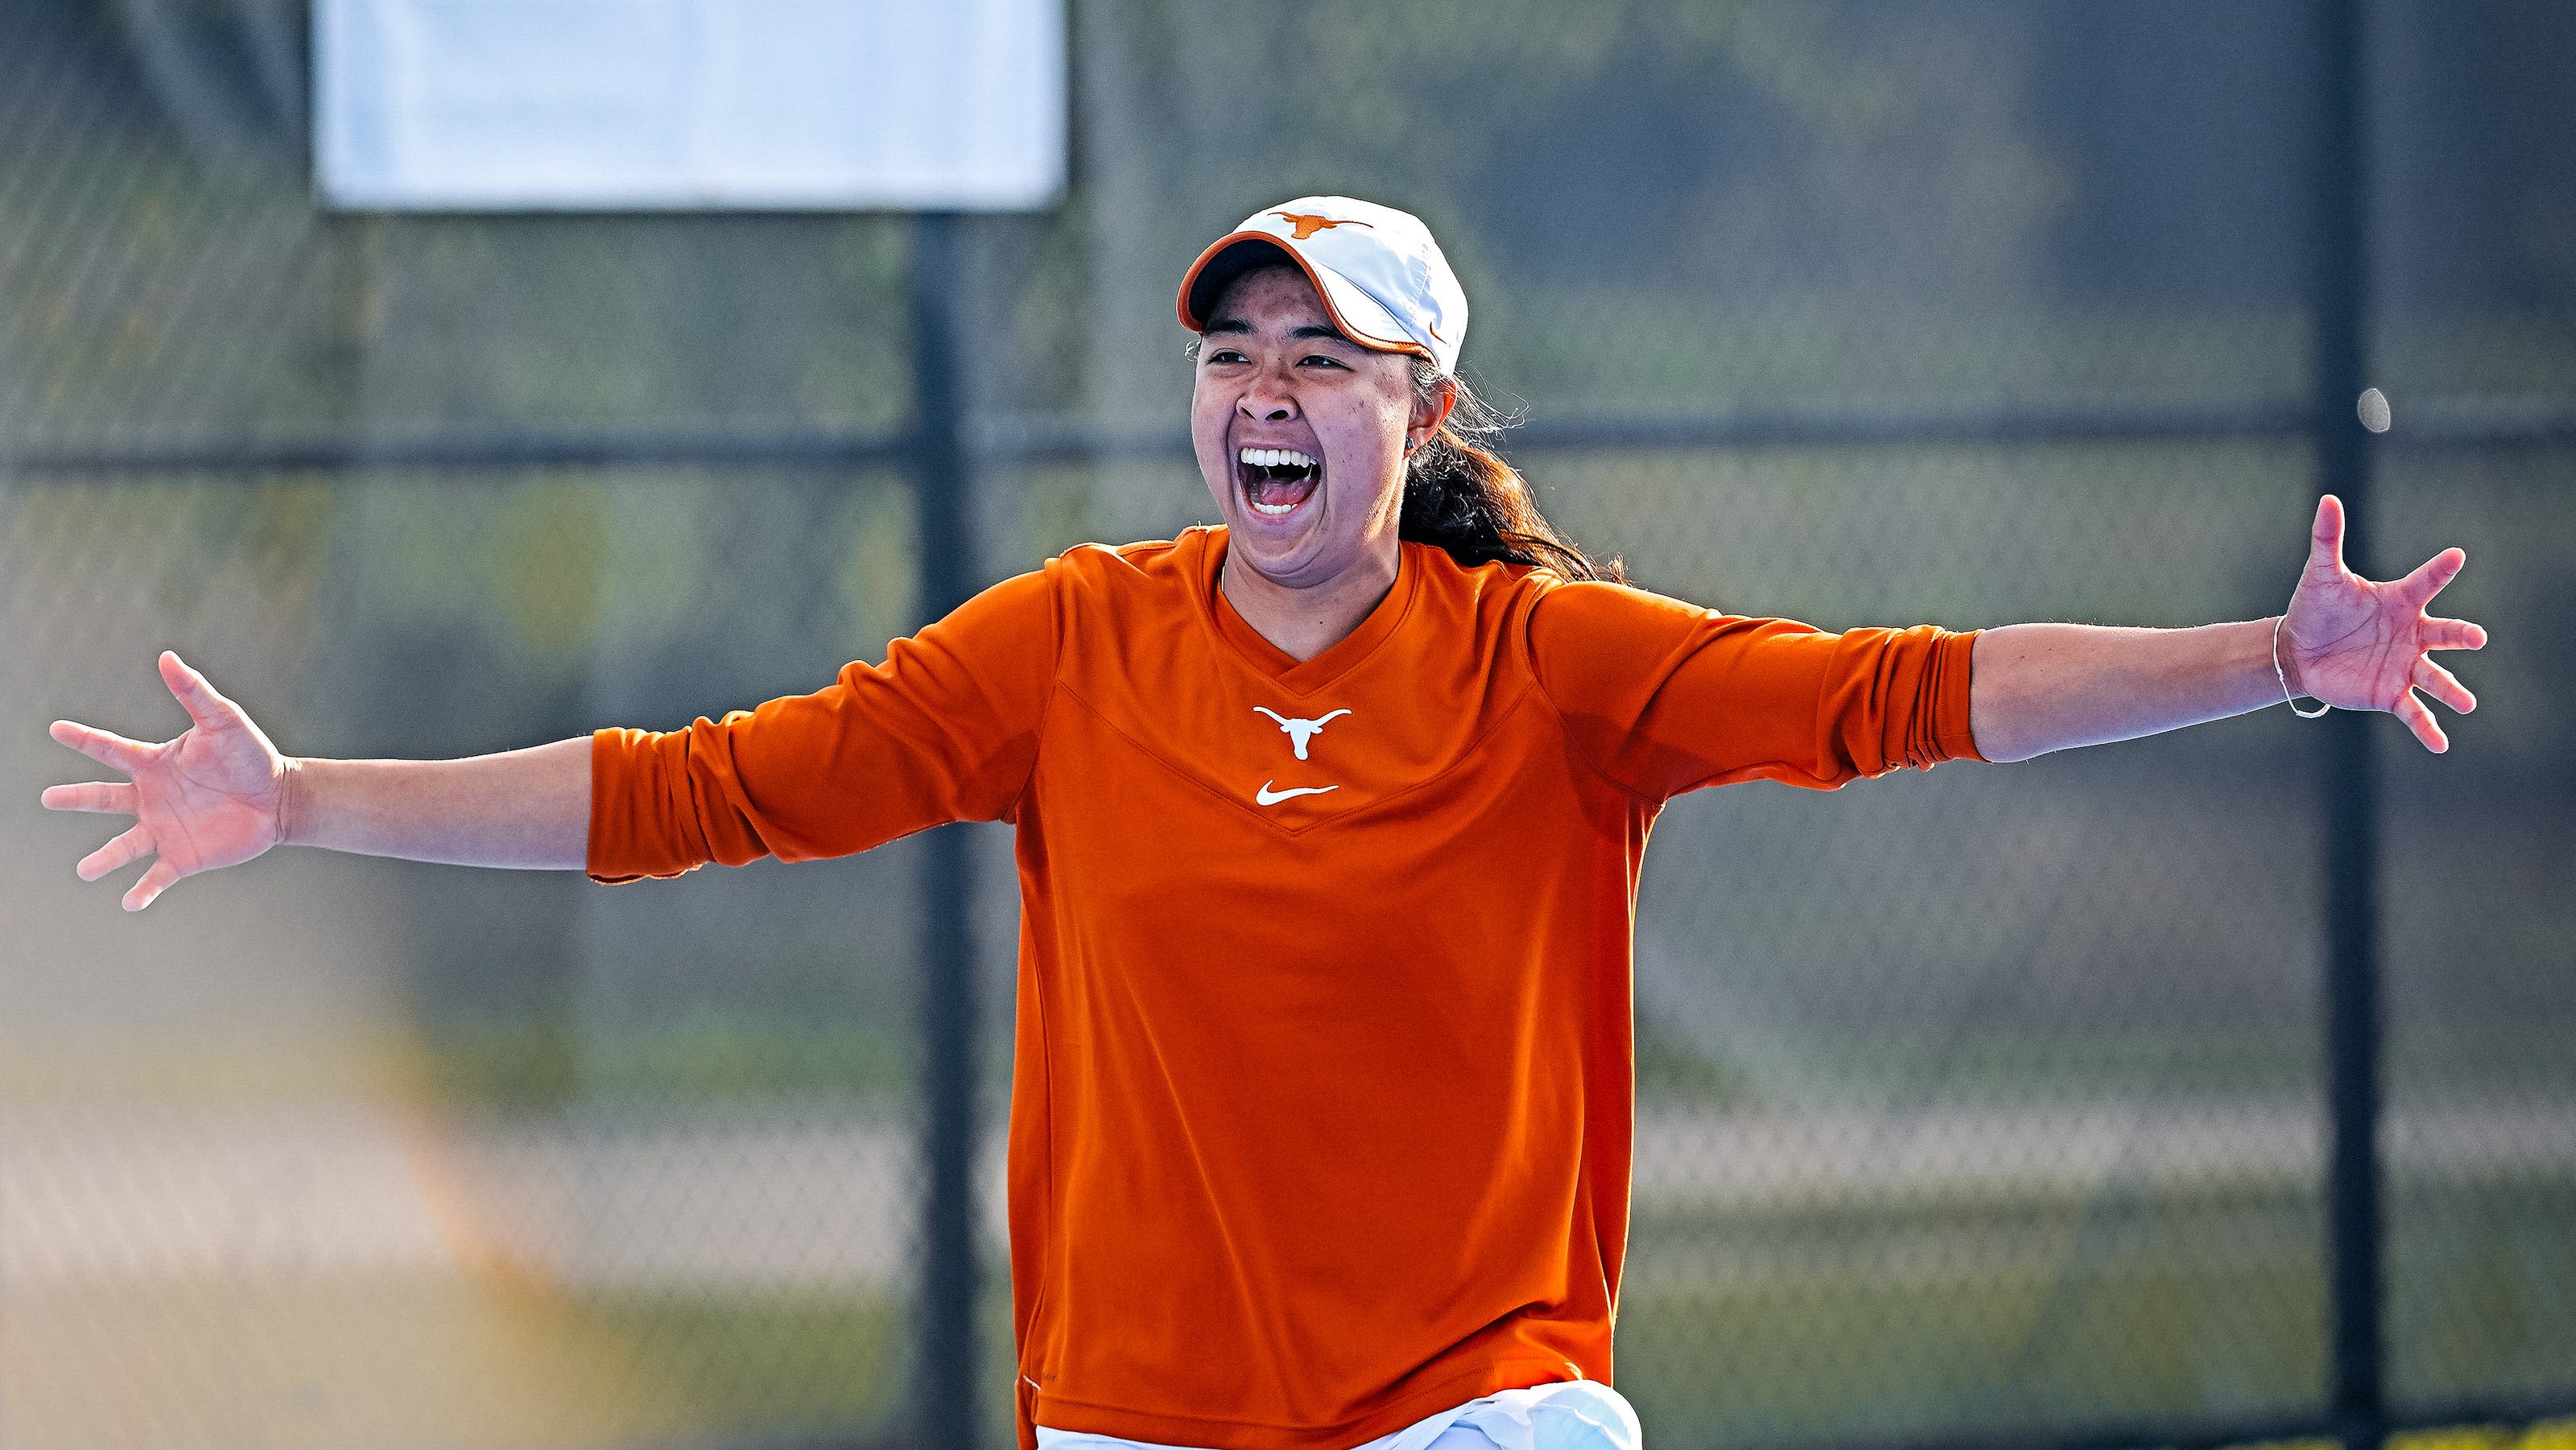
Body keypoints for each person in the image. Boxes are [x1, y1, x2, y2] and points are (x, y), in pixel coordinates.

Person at [42, 196, 2486, 1450]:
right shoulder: (1070, 645)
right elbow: (702, 791)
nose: (1266, 392)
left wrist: (2273, 656)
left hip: (1482, 1407)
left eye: (1322, 355)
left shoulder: (1554, 663)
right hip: (1141, 1412)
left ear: (1423, 412)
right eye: (1234, 355)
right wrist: (301, 801)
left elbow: (1907, 697)